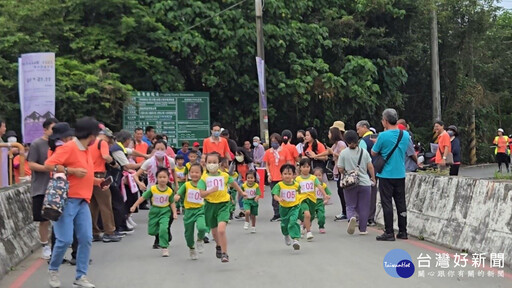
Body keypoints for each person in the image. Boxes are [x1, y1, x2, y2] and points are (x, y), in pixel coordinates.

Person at [45, 117, 105, 288]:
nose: (97, 138)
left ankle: (81, 276)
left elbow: (84, 175)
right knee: (64, 240)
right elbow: (49, 165)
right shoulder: (69, 147)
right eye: (96, 134)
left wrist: (98, 182)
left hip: (82, 201)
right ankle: (53, 269)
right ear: (91, 134)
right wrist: (70, 170)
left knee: (86, 238)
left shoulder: (86, 150)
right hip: (66, 200)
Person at [197, 152, 246, 263]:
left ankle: (225, 253)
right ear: (206, 163)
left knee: (221, 230)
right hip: (210, 206)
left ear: (219, 163)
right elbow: (201, 194)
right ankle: (218, 245)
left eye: (214, 162)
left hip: (223, 205)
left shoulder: (224, 175)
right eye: (209, 162)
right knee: (214, 232)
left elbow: (233, 183)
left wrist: (241, 192)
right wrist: (210, 191)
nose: (212, 164)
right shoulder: (204, 177)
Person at [371, 108, 411, 241]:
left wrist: (378, 144)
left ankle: (389, 232)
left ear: (386, 121)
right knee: (401, 202)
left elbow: (374, 153)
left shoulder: (383, 136)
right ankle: (403, 231)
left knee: (387, 203)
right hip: (400, 173)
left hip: (386, 174)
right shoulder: (405, 135)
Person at [133, 140, 178, 247]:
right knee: (158, 214)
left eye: (162, 149)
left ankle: (166, 230)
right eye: (157, 149)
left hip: (167, 189)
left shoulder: (170, 161)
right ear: (154, 149)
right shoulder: (149, 162)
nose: (160, 151)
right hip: (154, 190)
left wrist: (176, 184)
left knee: (170, 214)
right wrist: (140, 183)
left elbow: (173, 171)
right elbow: (135, 175)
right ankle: (158, 239)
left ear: (166, 149)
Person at [27, 118, 58, 260]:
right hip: (41, 186)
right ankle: (45, 245)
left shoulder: (59, 144)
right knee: (43, 219)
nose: (54, 132)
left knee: (58, 218)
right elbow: (31, 164)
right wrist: (47, 168)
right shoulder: (36, 144)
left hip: (57, 187)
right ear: (45, 130)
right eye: (52, 129)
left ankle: (57, 245)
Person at [130, 168, 178, 257]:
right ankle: (161, 234)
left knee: (163, 228)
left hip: (165, 211)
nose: (162, 179)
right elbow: (143, 198)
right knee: (152, 231)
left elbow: (172, 202)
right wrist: (134, 205)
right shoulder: (153, 189)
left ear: (168, 179)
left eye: (164, 177)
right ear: (156, 178)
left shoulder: (169, 191)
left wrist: (174, 212)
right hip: (154, 211)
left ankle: (164, 247)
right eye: (160, 177)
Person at [338, 130, 376, 236]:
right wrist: (373, 178)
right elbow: (370, 166)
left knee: (350, 204)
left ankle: (351, 218)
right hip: (364, 182)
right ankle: (363, 229)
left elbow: (340, 168)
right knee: (364, 206)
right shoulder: (364, 152)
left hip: (350, 182)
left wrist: (347, 171)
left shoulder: (343, 153)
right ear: (357, 140)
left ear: (346, 141)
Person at [308, 124, 347, 221]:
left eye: (329, 133)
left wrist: (331, 152)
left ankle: (346, 212)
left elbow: (342, 156)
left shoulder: (341, 144)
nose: (328, 135)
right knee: (340, 191)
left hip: (342, 171)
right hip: (337, 170)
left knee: (342, 191)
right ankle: (344, 211)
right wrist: (316, 156)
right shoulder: (337, 144)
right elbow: (327, 152)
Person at [90, 127, 121, 243]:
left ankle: (94, 232)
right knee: (105, 205)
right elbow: (105, 157)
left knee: (92, 206)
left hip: (89, 176)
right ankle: (109, 231)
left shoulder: (90, 143)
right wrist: (114, 163)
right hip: (99, 176)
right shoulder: (101, 142)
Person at [110, 130, 143, 235]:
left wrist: (146, 156)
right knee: (118, 203)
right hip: (113, 179)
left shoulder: (120, 147)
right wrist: (142, 164)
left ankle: (121, 225)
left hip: (117, 178)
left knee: (121, 201)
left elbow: (132, 151)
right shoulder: (116, 149)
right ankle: (118, 227)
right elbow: (127, 165)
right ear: (127, 139)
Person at [175, 163, 207, 260]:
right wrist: (177, 196)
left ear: (201, 173)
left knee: (202, 227)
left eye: (197, 172)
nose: (194, 174)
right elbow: (179, 193)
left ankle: (200, 239)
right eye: (192, 172)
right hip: (188, 211)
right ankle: (191, 248)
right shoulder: (186, 184)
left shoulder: (204, 185)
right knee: (188, 234)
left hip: (200, 210)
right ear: (189, 173)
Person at [295, 158, 328, 241]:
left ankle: (303, 226)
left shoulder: (313, 178)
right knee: (307, 215)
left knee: (311, 216)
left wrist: (325, 195)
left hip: (312, 200)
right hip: (303, 199)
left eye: (308, 166)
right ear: (300, 168)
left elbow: (319, 186)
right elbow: (294, 189)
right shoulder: (298, 179)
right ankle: (309, 232)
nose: (306, 168)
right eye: (304, 167)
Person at [263, 133, 294, 222]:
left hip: (283, 177)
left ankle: (286, 211)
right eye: (272, 142)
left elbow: (288, 162)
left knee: (284, 194)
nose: (274, 143)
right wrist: (268, 174)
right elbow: (267, 164)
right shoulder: (268, 152)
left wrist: (290, 174)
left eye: (275, 141)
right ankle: (277, 214)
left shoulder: (285, 151)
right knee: (275, 196)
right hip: (273, 177)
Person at [271, 164, 302, 250]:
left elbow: (300, 192)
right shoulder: (279, 185)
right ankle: (286, 234)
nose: (287, 176)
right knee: (284, 224)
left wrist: (299, 201)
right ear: (281, 175)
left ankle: (296, 239)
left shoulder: (296, 185)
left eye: (289, 174)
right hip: (284, 208)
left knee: (293, 221)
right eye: (285, 174)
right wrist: (279, 199)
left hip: (294, 206)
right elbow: (275, 195)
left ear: (293, 175)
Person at [356, 120, 377, 226]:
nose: (357, 131)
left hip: (367, 170)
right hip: (378, 168)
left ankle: (364, 217)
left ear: (365, 127)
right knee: (373, 194)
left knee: (363, 194)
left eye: (358, 129)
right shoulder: (376, 138)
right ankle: (371, 218)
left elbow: (362, 157)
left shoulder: (363, 141)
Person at [312, 167, 332, 234]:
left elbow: (328, 193)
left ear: (322, 176)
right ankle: (306, 225)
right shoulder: (311, 185)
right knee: (310, 216)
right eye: (316, 175)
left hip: (320, 202)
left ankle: (321, 226)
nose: (318, 177)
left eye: (319, 175)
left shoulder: (323, 185)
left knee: (321, 216)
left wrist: (327, 198)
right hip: (312, 202)